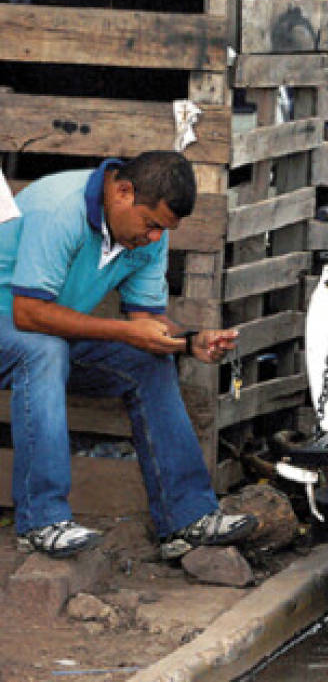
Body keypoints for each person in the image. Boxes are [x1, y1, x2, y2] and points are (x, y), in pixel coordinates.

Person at [0, 152, 257, 560]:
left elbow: (147, 322)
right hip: (17, 324)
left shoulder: (148, 234)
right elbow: (27, 313)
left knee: (147, 361)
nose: (156, 239)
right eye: (152, 224)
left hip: (46, 331)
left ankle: (186, 518)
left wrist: (189, 342)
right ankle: (41, 520)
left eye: (164, 230)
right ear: (122, 192)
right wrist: (126, 331)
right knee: (43, 351)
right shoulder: (59, 208)